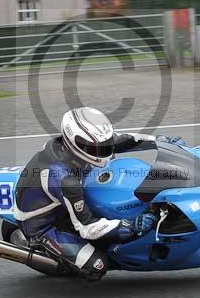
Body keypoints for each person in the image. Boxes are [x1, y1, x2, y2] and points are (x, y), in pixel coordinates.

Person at [14, 107, 184, 280]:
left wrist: (160, 141)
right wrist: (131, 225)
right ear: (76, 143)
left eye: (104, 145)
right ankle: (49, 251)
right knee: (97, 266)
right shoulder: (66, 180)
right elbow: (87, 227)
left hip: (63, 200)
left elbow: (122, 140)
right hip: (44, 225)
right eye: (97, 148)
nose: (104, 151)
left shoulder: (73, 147)